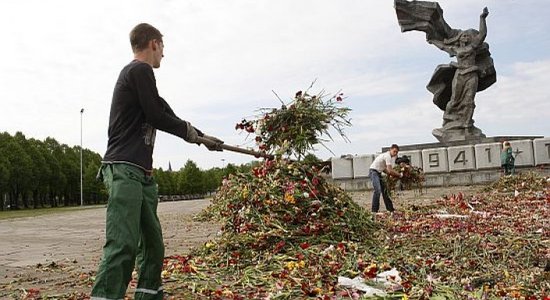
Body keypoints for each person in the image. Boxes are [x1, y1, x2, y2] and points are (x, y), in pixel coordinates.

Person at [91, 23, 223, 300]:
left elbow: (163, 110)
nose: (164, 53)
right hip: (124, 170)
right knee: (123, 245)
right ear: (153, 43)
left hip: (142, 175)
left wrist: (201, 137)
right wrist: (192, 135)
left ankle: (149, 295)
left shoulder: (143, 79)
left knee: (152, 244)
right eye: (163, 47)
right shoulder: (138, 70)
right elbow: (155, 115)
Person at [428, 7, 492, 140]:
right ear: (460, 39)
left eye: (467, 35)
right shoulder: (456, 49)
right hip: (460, 76)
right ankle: (448, 123)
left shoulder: (473, 47)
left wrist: (482, 18)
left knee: (469, 101)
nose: (466, 36)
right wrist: (432, 40)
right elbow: (442, 46)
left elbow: (482, 34)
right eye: (463, 35)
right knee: (454, 100)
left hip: (471, 75)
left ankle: (467, 126)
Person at [369, 144, 403, 214]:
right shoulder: (388, 156)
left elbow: (385, 169)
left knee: (385, 191)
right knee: (377, 190)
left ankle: (390, 209)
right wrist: (399, 175)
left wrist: (390, 175)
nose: (395, 153)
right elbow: (390, 170)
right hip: (373, 172)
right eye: (394, 151)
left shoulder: (385, 156)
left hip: (378, 172)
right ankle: (374, 211)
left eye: (396, 152)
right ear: (390, 150)